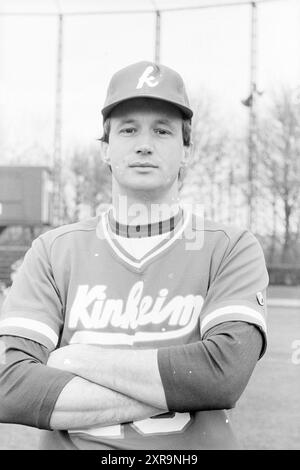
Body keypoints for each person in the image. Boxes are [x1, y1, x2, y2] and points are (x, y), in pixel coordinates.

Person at [0, 61, 269, 450]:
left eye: (162, 130)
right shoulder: (53, 250)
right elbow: (10, 385)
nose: (145, 143)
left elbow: (221, 375)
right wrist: (178, 388)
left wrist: (73, 358)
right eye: (128, 130)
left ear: (186, 150)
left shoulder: (230, 247)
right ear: (106, 150)